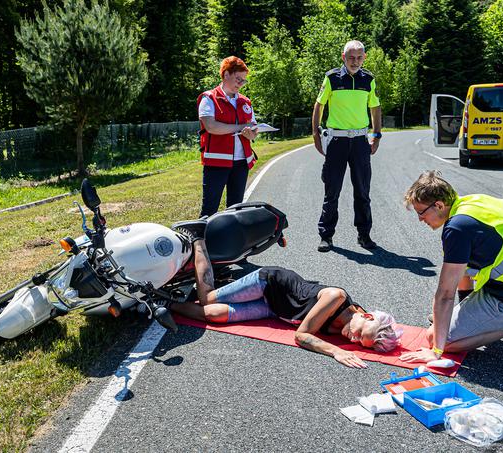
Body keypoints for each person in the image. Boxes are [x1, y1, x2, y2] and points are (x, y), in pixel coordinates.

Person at [169, 221, 401, 369]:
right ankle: (197, 235)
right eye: (359, 333)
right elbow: (302, 336)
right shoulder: (335, 297)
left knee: (213, 314)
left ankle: (163, 303)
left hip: (275, 309)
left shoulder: (351, 326)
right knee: (208, 298)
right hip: (269, 284)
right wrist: (336, 351)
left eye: (360, 342)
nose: (353, 339)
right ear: (366, 315)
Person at [399, 170, 503, 365]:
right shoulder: (473, 203)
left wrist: (436, 351)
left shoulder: (457, 229)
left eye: (421, 212)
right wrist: (463, 311)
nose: (420, 219)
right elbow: (463, 269)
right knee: (445, 316)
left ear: (439, 205)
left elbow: (445, 294)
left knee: (436, 337)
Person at [312, 40, 383, 253]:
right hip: (337, 142)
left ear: (364, 57)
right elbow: (319, 105)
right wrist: (316, 133)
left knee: (363, 191)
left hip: (360, 142)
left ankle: (364, 235)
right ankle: (326, 236)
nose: (355, 61)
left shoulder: (368, 79)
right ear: (344, 57)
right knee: (332, 190)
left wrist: (377, 135)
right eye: (351, 57)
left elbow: (375, 107)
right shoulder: (332, 77)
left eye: (359, 57)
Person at [197, 56, 259, 218]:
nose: (241, 83)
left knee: (236, 209)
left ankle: (231, 242)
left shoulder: (246, 102)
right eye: (238, 79)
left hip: (241, 163)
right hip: (216, 162)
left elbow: (253, 131)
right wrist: (240, 127)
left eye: (243, 81)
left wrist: (251, 133)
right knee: (209, 210)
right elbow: (211, 127)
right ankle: (202, 242)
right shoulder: (209, 98)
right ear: (225, 75)